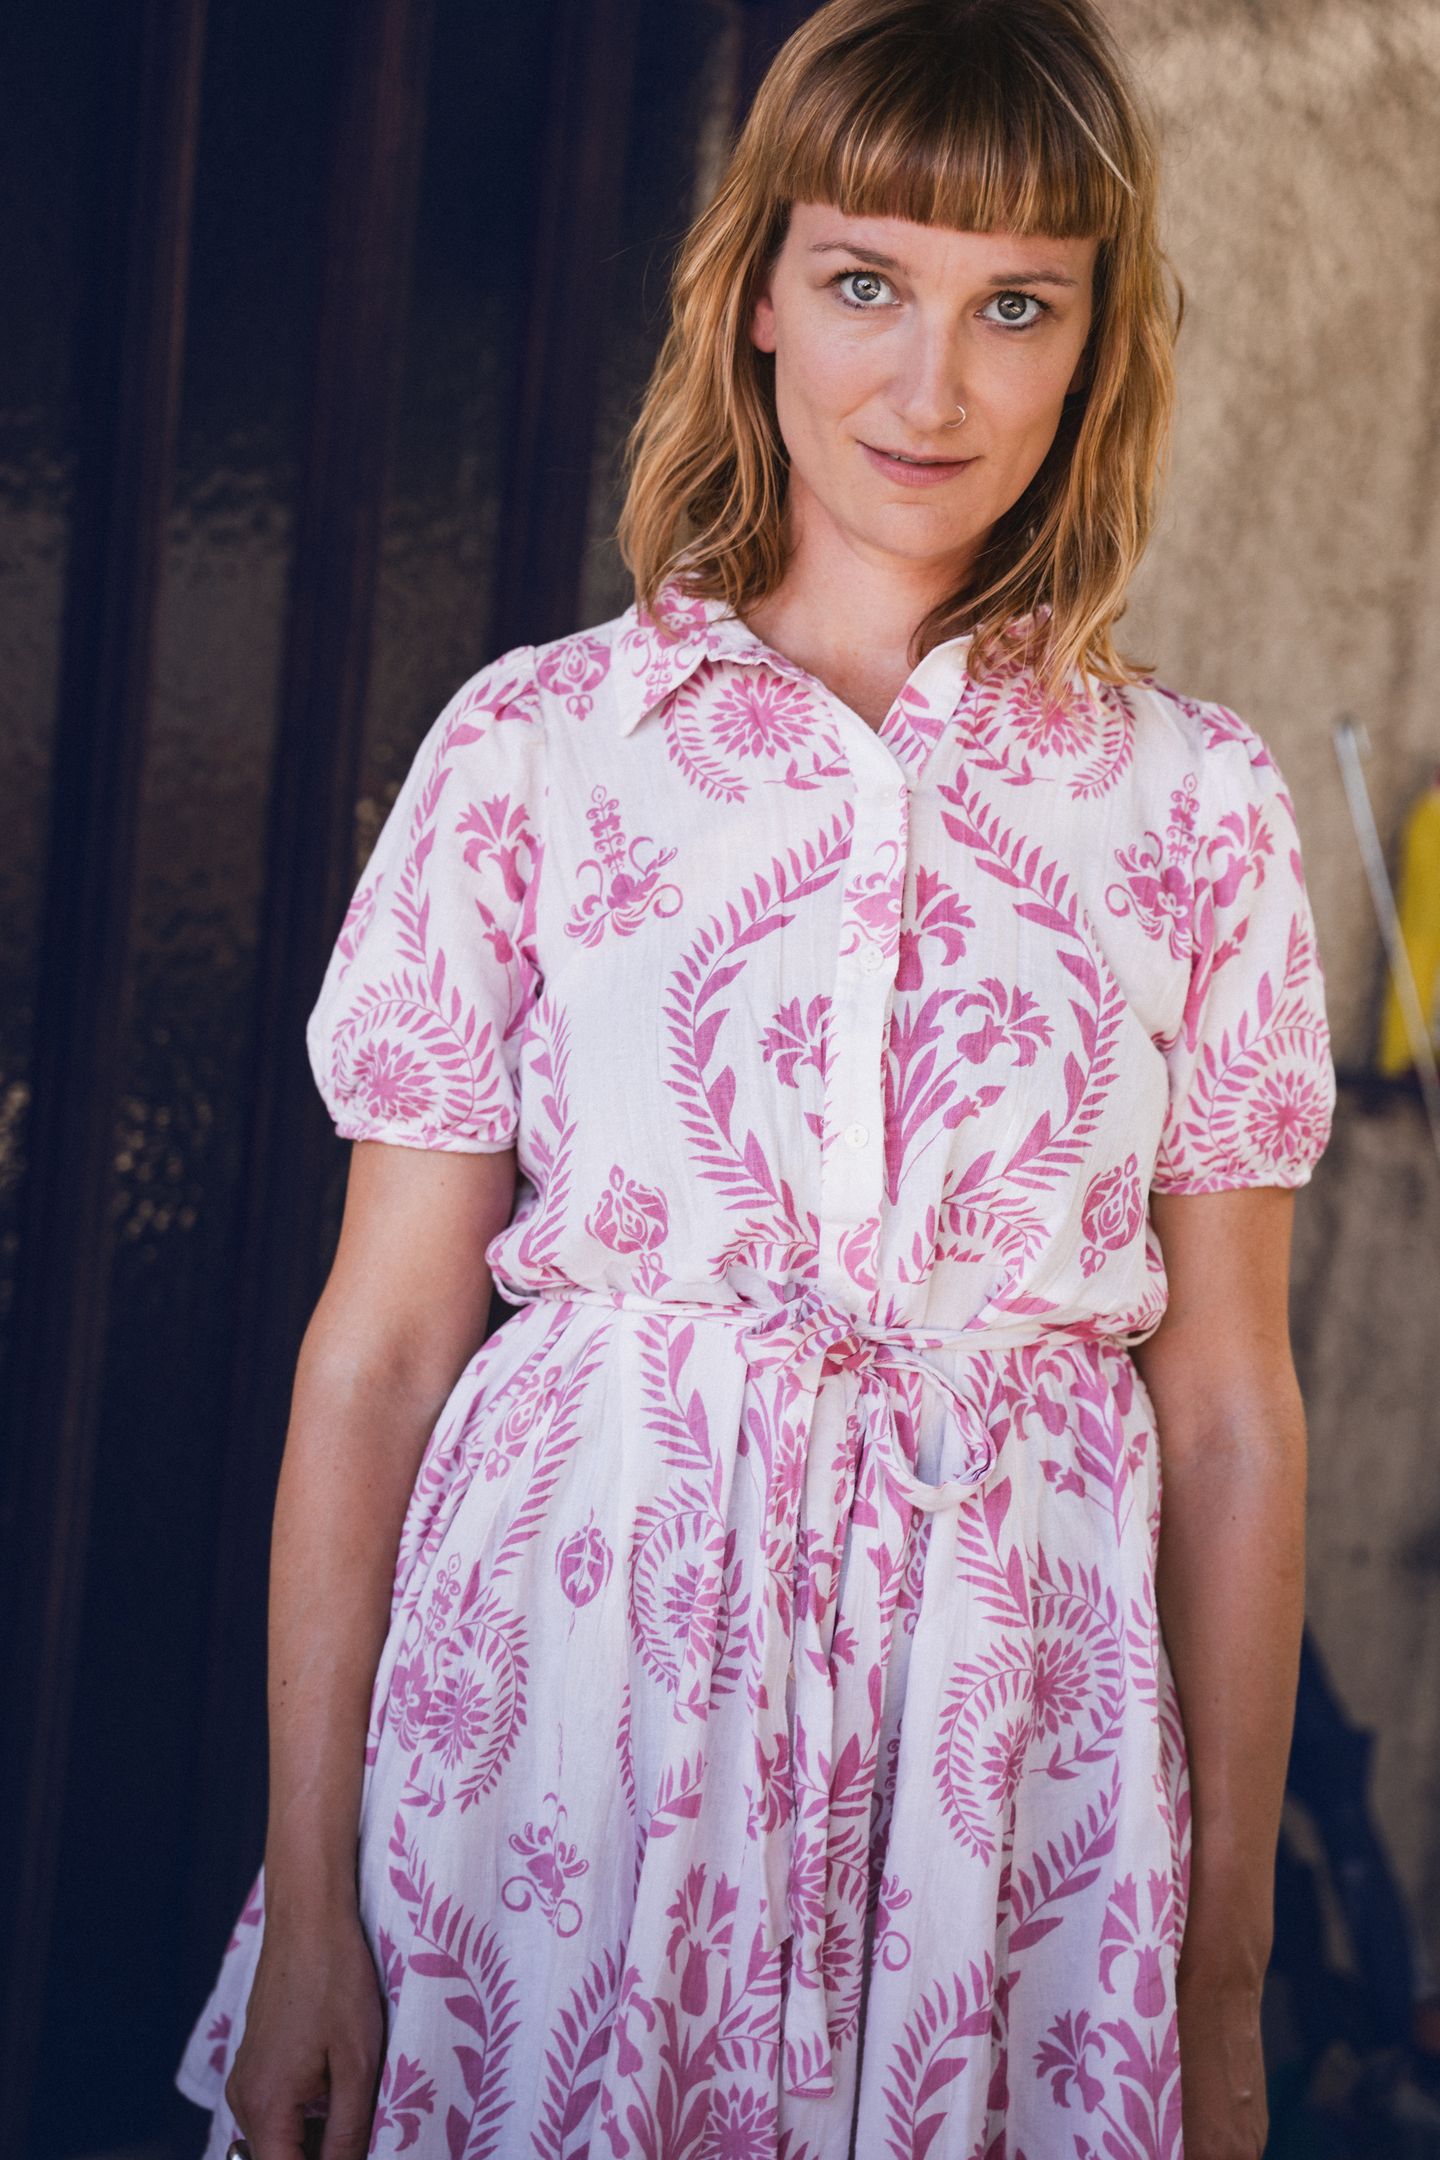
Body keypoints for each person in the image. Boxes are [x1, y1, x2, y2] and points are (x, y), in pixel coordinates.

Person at [175, 0, 1338, 2153]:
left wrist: (1223, 1977)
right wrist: (313, 1901)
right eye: (868, 281)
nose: (934, 385)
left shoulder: (1194, 809)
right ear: (760, 298)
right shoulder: (537, 751)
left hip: (1004, 1775)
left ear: (1096, 346)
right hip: (567, 1735)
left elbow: (1232, 1411)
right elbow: (383, 1351)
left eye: (1017, 305)